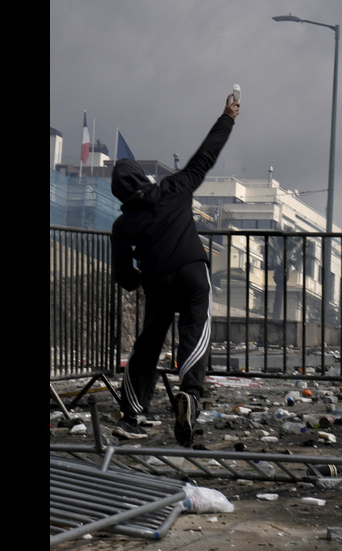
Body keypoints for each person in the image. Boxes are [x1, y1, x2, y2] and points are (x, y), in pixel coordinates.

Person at [110, 92, 240, 444]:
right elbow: (204, 158)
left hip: (157, 280)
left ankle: (132, 416)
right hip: (192, 272)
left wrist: (138, 277)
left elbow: (123, 275)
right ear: (142, 177)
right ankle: (190, 395)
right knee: (195, 333)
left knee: (149, 343)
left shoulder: (122, 226)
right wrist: (227, 117)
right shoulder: (173, 189)